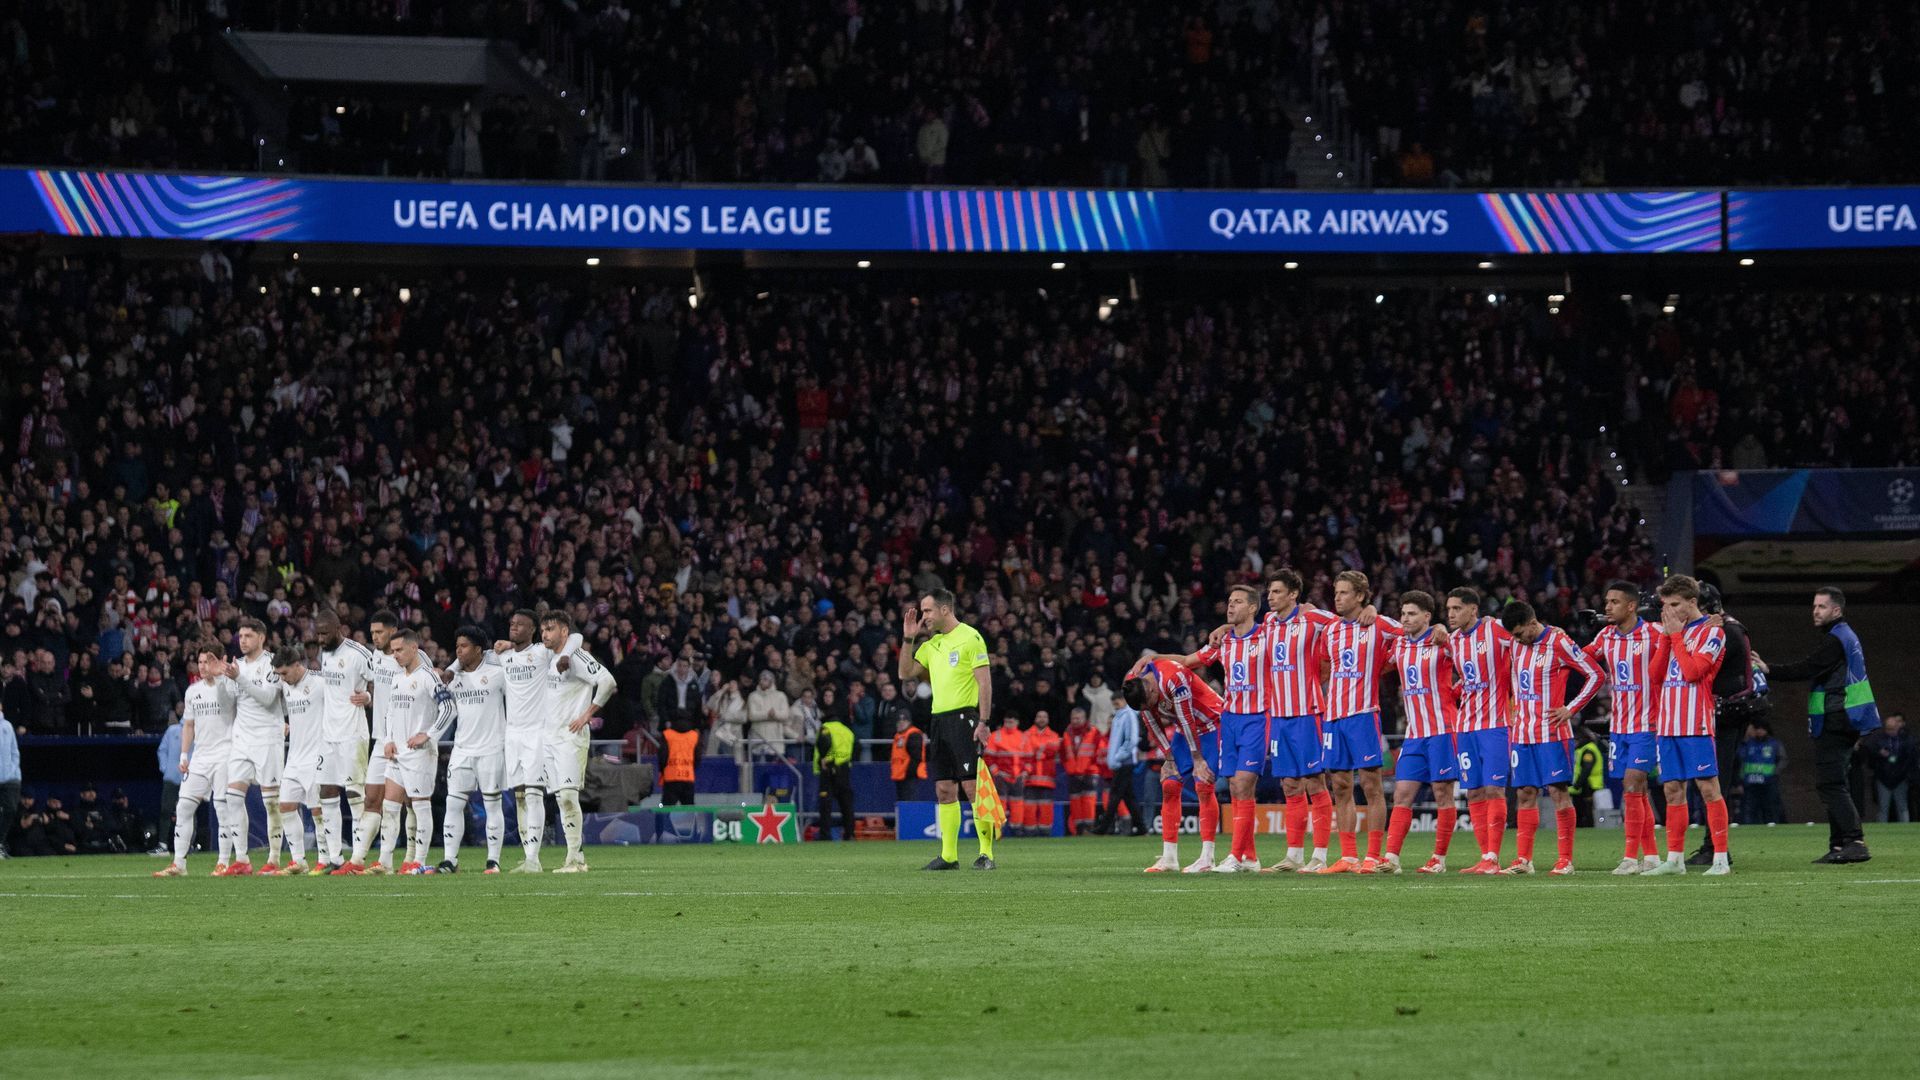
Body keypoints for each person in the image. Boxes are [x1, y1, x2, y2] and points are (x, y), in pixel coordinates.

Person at [1138, 583, 1269, 872]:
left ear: (1252, 607)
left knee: (1212, 784)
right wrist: (1155, 657)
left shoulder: (1268, 634)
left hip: (1220, 722)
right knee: (1170, 783)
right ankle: (1170, 857)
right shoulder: (1224, 641)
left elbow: (1295, 621)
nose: (1230, 605)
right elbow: (1188, 660)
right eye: (1229, 601)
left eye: (1237, 601)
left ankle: (1212, 856)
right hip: (1216, 722)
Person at [1753, 585, 1878, 863]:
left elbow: (1807, 667)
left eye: (1821, 606)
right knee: (1835, 782)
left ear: (1837, 610)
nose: (1815, 611)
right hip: (1846, 717)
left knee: (1830, 783)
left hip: (1837, 717)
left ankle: (1855, 841)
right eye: (1814, 606)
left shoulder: (1836, 639)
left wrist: (1768, 669)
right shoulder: (1845, 636)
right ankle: (1839, 845)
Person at [1499, 600, 1602, 876]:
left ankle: (1565, 860)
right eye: (1513, 636)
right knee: (1525, 793)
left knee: (1558, 792)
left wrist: (1571, 708)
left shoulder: (1559, 642)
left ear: (1533, 623)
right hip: (1522, 732)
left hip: (1552, 732)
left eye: (1520, 633)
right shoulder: (1516, 643)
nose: (1517, 639)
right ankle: (1523, 860)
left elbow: (1596, 674)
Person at [897, 587, 996, 871]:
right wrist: (908, 638)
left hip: (965, 719)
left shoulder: (970, 637)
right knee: (944, 789)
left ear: (944, 609)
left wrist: (984, 722)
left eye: (927, 610)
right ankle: (949, 856)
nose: (924, 616)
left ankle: (986, 853)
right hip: (939, 721)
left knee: (972, 787)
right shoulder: (932, 645)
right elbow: (904, 673)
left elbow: (985, 682)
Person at [1313, 571, 1404, 874]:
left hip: (1363, 714)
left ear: (1361, 596)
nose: (1337, 598)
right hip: (1333, 718)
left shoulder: (1380, 625)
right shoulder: (1331, 631)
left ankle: (1373, 855)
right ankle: (1349, 856)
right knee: (1340, 786)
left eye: (1344, 593)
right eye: (1336, 592)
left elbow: (1413, 634)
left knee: (1371, 785)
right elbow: (1326, 665)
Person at [1646, 575, 1731, 876]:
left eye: (1674, 604)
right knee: (1672, 790)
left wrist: (1676, 637)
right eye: (1664, 605)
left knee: (1708, 788)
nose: (1667, 611)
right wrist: (1668, 637)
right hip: (1668, 724)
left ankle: (1720, 859)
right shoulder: (1672, 633)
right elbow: (1655, 676)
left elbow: (1693, 672)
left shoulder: (1713, 632)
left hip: (1695, 723)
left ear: (1692, 602)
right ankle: (1675, 859)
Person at [483, 608, 579, 875]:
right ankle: (528, 856)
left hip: (537, 732)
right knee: (520, 796)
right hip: (512, 734)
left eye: (520, 624)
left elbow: (576, 638)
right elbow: (474, 657)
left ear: (533, 630)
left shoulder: (541, 652)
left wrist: (566, 654)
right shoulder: (503, 656)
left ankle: (534, 859)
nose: (514, 627)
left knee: (534, 794)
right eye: (512, 623)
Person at [1254, 569, 1338, 873]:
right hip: (1279, 716)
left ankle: (1320, 856)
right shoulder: (1268, 622)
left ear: (1293, 594)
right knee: (1289, 785)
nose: (1270, 597)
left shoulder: (1312, 618)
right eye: (1269, 592)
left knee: (1315, 781)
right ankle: (1294, 856)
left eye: (1277, 592)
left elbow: (1347, 623)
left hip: (1308, 712)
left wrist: (1367, 609)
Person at [1583, 580, 1667, 874]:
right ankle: (1652, 856)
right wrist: (1553, 639)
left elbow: (1685, 640)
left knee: (1632, 784)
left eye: (1614, 602)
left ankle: (1630, 858)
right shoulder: (1605, 636)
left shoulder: (1654, 633)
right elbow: (1579, 657)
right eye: (1606, 602)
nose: (1607, 607)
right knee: (1636, 791)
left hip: (1647, 725)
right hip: (1619, 727)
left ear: (1631, 606)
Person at [1122, 656, 1224, 873]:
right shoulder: (1134, 681)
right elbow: (1151, 721)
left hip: (1211, 724)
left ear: (1151, 690)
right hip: (1184, 730)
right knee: (1169, 784)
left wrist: (1198, 759)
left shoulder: (1173, 678)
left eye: (1150, 703)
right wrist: (1168, 758)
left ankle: (1207, 857)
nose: (1151, 707)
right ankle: (1169, 858)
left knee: (1203, 784)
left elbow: (1187, 719)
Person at [1383, 591, 1459, 874]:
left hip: (1442, 730)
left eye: (1411, 614)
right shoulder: (1399, 644)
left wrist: (1455, 693)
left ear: (1427, 616)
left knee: (1442, 793)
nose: (1405, 619)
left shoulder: (1442, 641)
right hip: (1414, 734)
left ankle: (1439, 858)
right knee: (1402, 794)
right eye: (1403, 613)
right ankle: (1391, 858)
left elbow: (1472, 668)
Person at [540, 610, 618, 873]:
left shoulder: (578, 657)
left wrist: (587, 714)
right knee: (561, 798)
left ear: (564, 631)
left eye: (550, 629)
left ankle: (576, 858)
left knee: (568, 796)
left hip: (570, 738)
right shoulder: (550, 657)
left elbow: (607, 682)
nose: (544, 634)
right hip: (549, 738)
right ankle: (573, 856)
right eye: (543, 630)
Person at [1446, 587, 1514, 874]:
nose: (1451, 614)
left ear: (1473, 609)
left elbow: (1527, 639)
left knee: (1494, 788)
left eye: (1456, 608)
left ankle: (1494, 858)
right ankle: (1485, 856)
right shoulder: (1452, 640)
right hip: (1465, 727)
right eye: (1448, 609)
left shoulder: (1496, 630)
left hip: (1495, 725)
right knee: (1473, 792)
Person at [157, 645, 236, 876]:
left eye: (207, 661)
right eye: (200, 662)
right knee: (183, 807)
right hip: (200, 756)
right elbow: (189, 725)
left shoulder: (229, 686)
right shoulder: (192, 691)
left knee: (222, 808)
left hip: (225, 753)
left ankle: (223, 862)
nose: (202, 666)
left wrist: (222, 675)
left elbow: (235, 707)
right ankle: (178, 864)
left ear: (217, 661)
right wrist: (184, 755)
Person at [337, 610, 404, 875]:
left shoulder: (409, 657)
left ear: (393, 631)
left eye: (379, 632)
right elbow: (375, 690)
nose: (375, 637)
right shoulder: (374, 657)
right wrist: (367, 697)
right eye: (372, 632)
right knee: (372, 799)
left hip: (403, 741)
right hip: (381, 739)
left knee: (401, 804)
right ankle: (357, 860)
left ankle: (397, 860)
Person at [439, 626, 508, 874]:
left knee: (492, 805)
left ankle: (493, 860)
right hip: (462, 749)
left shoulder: (497, 674)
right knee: (453, 804)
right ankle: (450, 860)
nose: (459, 650)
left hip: (491, 749)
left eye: (464, 646)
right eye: (457, 646)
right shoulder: (453, 679)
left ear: (478, 649)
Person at [314, 608, 375, 875]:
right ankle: (335, 858)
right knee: (326, 792)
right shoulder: (325, 654)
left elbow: (378, 682)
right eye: (318, 634)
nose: (320, 639)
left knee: (354, 795)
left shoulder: (359, 654)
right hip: (329, 735)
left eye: (325, 634)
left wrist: (368, 698)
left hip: (353, 733)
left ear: (339, 630)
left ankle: (358, 859)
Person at [222, 617, 284, 876]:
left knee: (271, 802)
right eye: (241, 636)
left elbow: (268, 699)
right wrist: (222, 679)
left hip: (268, 737)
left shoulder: (273, 663)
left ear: (261, 637)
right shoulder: (236, 665)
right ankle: (242, 859)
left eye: (248, 636)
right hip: (242, 740)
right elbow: (228, 704)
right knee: (233, 797)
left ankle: (274, 859)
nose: (243, 640)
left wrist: (239, 679)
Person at [270, 648, 325, 874]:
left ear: (296, 665)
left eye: (284, 673)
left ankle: (325, 859)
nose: (282, 679)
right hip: (294, 757)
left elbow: (343, 701)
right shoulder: (286, 686)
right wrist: (283, 724)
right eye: (279, 675)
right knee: (286, 806)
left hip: (316, 757)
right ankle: (299, 861)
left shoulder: (320, 683)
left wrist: (366, 697)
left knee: (318, 810)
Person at [1099, 693, 1147, 837]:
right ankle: (1141, 827)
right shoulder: (1119, 716)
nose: (1116, 705)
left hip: (1125, 761)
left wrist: (1118, 756)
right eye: (1114, 703)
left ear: (1124, 700)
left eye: (1117, 702)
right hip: (1121, 762)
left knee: (1115, 795)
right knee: (1128, 797)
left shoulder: (1129, 715)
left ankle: (1104, 827)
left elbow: (1131, 740)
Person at [1859, 713, 1913, 823]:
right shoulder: (1879, 737)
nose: (1890, 731)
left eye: (1893, 729)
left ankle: (1905, 828)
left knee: (1902, 807)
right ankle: (1882, 828)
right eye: (1888, 729)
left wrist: (1906, 774)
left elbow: (1910, 756)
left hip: (1901, 777)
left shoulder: (1905, 738)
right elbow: (1869, 745)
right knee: (1883, 807)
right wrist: (1880, 752)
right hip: (1883, 777)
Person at [1062, 707, 1104, 835]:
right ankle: (1079, 829)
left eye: (1078, 718)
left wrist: (1085, 769)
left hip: (1089, 772)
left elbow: (1098, 752)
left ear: (1085, 719)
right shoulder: (1067, 733)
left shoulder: (1094, 732)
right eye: (1073, 718)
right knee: (1075, 802)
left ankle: (1089, 828)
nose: (1075, 721)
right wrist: (1070, 769)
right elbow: (1064, 754)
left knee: (1089, 801)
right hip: (1073, 773)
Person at [815, 710, 856, 841]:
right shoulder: (847, 731)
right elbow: (857, 747)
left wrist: (825, 760)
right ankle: (849, 833)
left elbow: (824, 742)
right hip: (844, 769)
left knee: (826, 804)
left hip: (829, 769)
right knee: (846, 804)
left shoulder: (826, 728)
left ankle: (825, 835)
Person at [1737, 722, 1787, 825]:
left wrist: (1775, 772)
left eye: (1762, 729)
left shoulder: (1774, 743)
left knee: (1770, 806)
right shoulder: (1748, 743)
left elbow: (1783, 759)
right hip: (1750, 781)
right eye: (1757, 729)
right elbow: (1740, 757)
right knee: (1750, 808)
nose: (1759, 731)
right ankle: (1750, 826)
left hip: (1768, 781)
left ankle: (1773, 824)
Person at [984, 715, 1027, 835]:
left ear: (1017, 722)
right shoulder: (995, 736)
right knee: (999, 802)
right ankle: (998, 828)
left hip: (1018, 775)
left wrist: (1025, 772)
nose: (1008, 724)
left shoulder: (1023, 737)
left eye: (1011, 722)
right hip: (1001, 775)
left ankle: (1017, 828)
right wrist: (996, 772)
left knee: (1017, 802)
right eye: (1006, 722)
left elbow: (1028, 757)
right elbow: (988, 756)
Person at [157, 711, 183, 855]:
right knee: (166, 810)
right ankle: (163, 845)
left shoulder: (199, 730)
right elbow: (162, 750)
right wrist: (166, 768)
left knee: (188, 812)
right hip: (171, 777)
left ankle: (188, 845)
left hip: (190, 778)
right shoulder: (172, 731)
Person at [662, 713, 700, 806]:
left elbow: (662, 757)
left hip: (670, 777)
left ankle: (662, 813)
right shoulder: (694, 736)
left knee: (665, 808)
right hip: (688, 777)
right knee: (689, 808)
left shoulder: (667, 734)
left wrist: (663, 770)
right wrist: (691, 767)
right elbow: (698, 757)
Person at [1570, 728, 1606, 827]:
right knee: (1580, 808)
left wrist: (1578, 784)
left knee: (1586, 809)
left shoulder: (1588, 750)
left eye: (1575, 740)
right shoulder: (1583, 749)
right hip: (1584, 784)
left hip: (1589, 784)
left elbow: (1587, 769)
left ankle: (1587, 825)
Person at [889, 713, 926, 806]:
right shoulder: (898, 736)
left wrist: (909, 773)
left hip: (909, 777)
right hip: (900, 776)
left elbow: (916, 757)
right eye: (899, 721)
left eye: (904, 721)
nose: (901, 723)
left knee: (909, 804)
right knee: (902, 804)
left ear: (909, 722)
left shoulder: (913, 734)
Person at [0, 706, 17, 858]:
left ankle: (0, 843)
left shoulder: (7, 726)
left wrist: (14, 772)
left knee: (10, 809)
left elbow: (14, 752)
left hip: (7, 778)